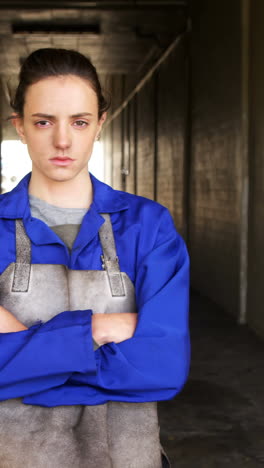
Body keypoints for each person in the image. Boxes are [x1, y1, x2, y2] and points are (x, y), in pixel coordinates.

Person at [0, 48, 190, 468]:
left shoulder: (148, 227)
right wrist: (102, 331)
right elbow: (139, 362)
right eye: (44, 122)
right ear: (21, 128)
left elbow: (163, 365)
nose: (63, 140)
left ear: (100, 124)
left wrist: (23, 357)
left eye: (80, 122)